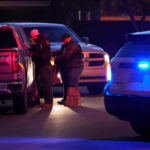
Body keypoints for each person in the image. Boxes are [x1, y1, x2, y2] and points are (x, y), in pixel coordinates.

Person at [53, 33, 83, 105]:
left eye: (64, 40)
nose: (63, 41)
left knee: (72, 84)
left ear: (69, 38)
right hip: (67, 67)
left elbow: (67, 55)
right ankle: (66, 99)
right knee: (66, 83)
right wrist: (51, 54)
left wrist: (56, 59)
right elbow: (60, 52)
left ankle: (73, 101)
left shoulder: (73, 45)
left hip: (74, 67)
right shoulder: (65, 45)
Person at [29, 29, 53, 108]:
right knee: (47, 83)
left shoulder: (38, 42)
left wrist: (31, 48)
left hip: (43, 65)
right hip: (46, 64)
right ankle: (48, 102)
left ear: (34, 35)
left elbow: (35, 50)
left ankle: (48, 102)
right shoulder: (44, 40)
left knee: (46, 84)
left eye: (32, 36)